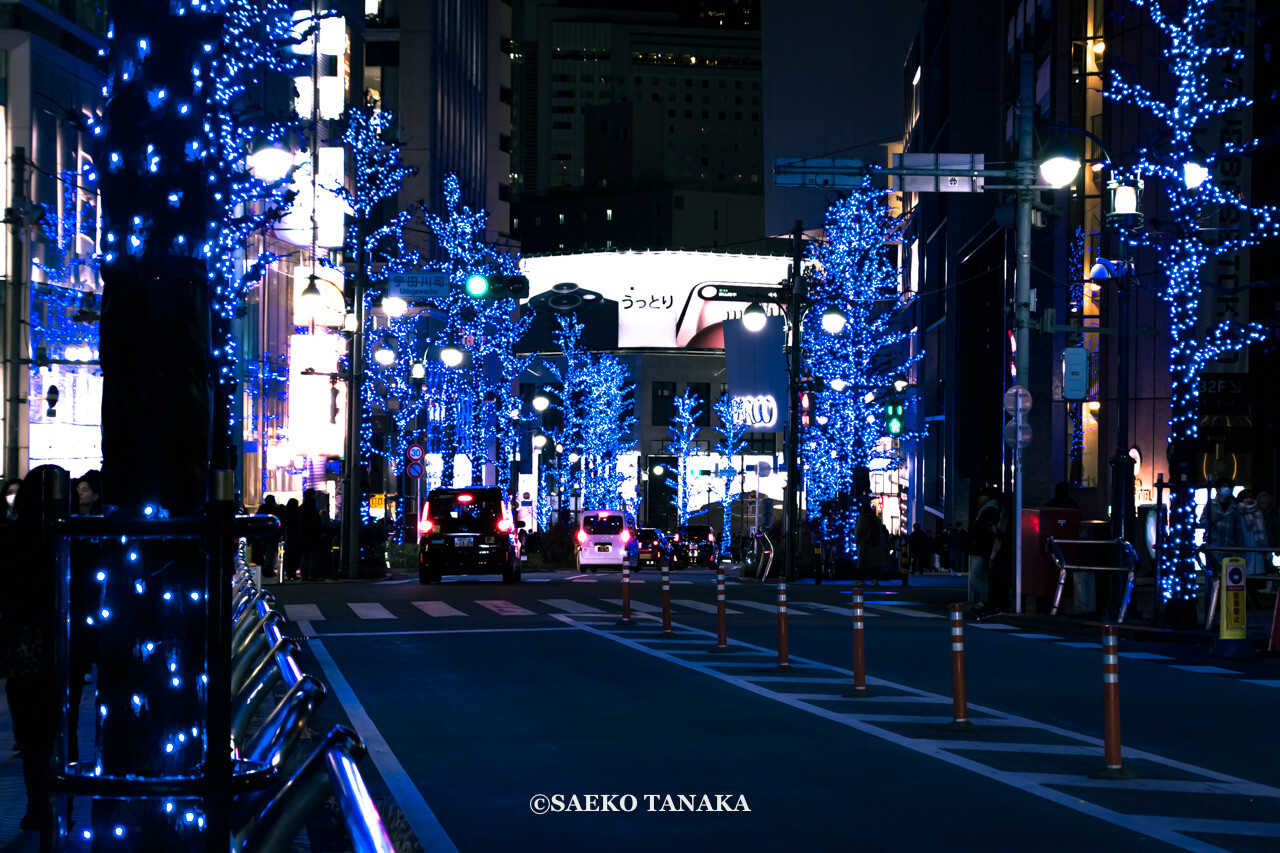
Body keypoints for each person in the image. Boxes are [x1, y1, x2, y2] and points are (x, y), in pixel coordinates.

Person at [1, 465, 68, 831]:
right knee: (60, 725)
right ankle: (59, 802)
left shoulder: (11, 537)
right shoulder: (65, 536)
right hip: (58, 639)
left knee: (29, 730)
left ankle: (36, 804)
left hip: (23, 641)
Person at [1200, 479, 1244, 574]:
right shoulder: (1211, 505)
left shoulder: (1235, 507)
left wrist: (1239, 549)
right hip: (1213, 547)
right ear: (1218, 489)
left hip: (1230, 548)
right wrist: (1212, 520)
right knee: (1213, 576)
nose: (1227, 489)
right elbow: (1202, 522)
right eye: (1224, 486)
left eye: (1229, 487)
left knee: (1228, 577)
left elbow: (1238, 530)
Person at [969, 487, 1001, 616]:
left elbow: (989, 529)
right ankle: (985, 601)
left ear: (987, 497)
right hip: (985, 548)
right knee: (982, 576)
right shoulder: (989, 509)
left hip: (982, 548)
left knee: (974, 576)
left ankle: (984, 600)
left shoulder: (989, 510)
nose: (979, 499)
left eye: (981, 496)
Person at [854, 501, 887, 586]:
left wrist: (857, 541)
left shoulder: (862, 518)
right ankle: (875, 580)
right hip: (875, 543)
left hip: (864, 543)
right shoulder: (876, 518)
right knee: (874, 563)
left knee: (862, 563)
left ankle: (861, 580)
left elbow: (858, 531)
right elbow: (880, 531)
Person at [1236, 489, 1268, 575]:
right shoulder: (1238, 511)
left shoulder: (1258, 512)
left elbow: (1264, 531)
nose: (1249, 499)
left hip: (1257, 545)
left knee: (1257, 573)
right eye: (1246, 497)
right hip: (1243, 545)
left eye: (1250, 497)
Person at [299, 489, 324, 581]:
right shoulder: (312, 507)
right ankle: (312, 574)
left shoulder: (303, 507)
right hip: (312, 536)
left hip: (304, 536)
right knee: (313, 556)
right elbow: (315, 523)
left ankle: (304, 574)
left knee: (305, 556)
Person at [255, 495, 282, 578]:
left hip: (263, 534)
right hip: (272, 534)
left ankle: (266, 569)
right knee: (270, 553)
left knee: (265, 553)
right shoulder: (275, 509)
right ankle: (268, 569)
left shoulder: (262, 508)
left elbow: (257, 520)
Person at [282, 498, 302, 580]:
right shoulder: (297, 514)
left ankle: (289, 572)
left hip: (289, 537)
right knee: (294, 556)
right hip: (295, 537)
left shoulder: (286, 514)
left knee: (289, 556)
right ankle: (292, 573)